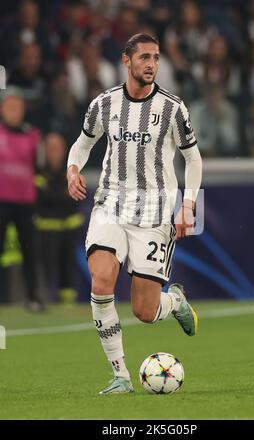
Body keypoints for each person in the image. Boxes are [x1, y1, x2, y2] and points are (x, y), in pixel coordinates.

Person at [66, 33, 202, 394]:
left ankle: (173, 301)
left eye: (156, 58)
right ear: (126, 60)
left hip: (155, 212)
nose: (151, 64)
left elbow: (193, 157)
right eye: (144, 57)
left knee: (144, 310)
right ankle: (121, 376)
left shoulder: (174, 108)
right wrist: (72, 170)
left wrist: (189, 205)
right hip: (110, 203)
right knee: (101, 281)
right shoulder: (104, 103)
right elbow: (82, 144)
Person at [0, 88, 43, 310]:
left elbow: (39, 166)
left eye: (18, 107)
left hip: (26, 202)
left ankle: (33, 297)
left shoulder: (33, 135)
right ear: (2, 109)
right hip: (1, 201)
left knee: (29, 250)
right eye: (10, 107)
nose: (14, 112)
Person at [35, 132, 83, 303]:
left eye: (58, 148)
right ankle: (45, 300)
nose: (55, 152)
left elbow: (76, 196)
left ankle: (67, 304)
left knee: (68, 268)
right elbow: (43, 198)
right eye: (51, 148)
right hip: (46, 230)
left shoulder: (71, 170)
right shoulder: (38, 171)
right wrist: (63, 195)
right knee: (47, 267)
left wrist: (58, 195)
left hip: (70, 229)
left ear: (64, 150)